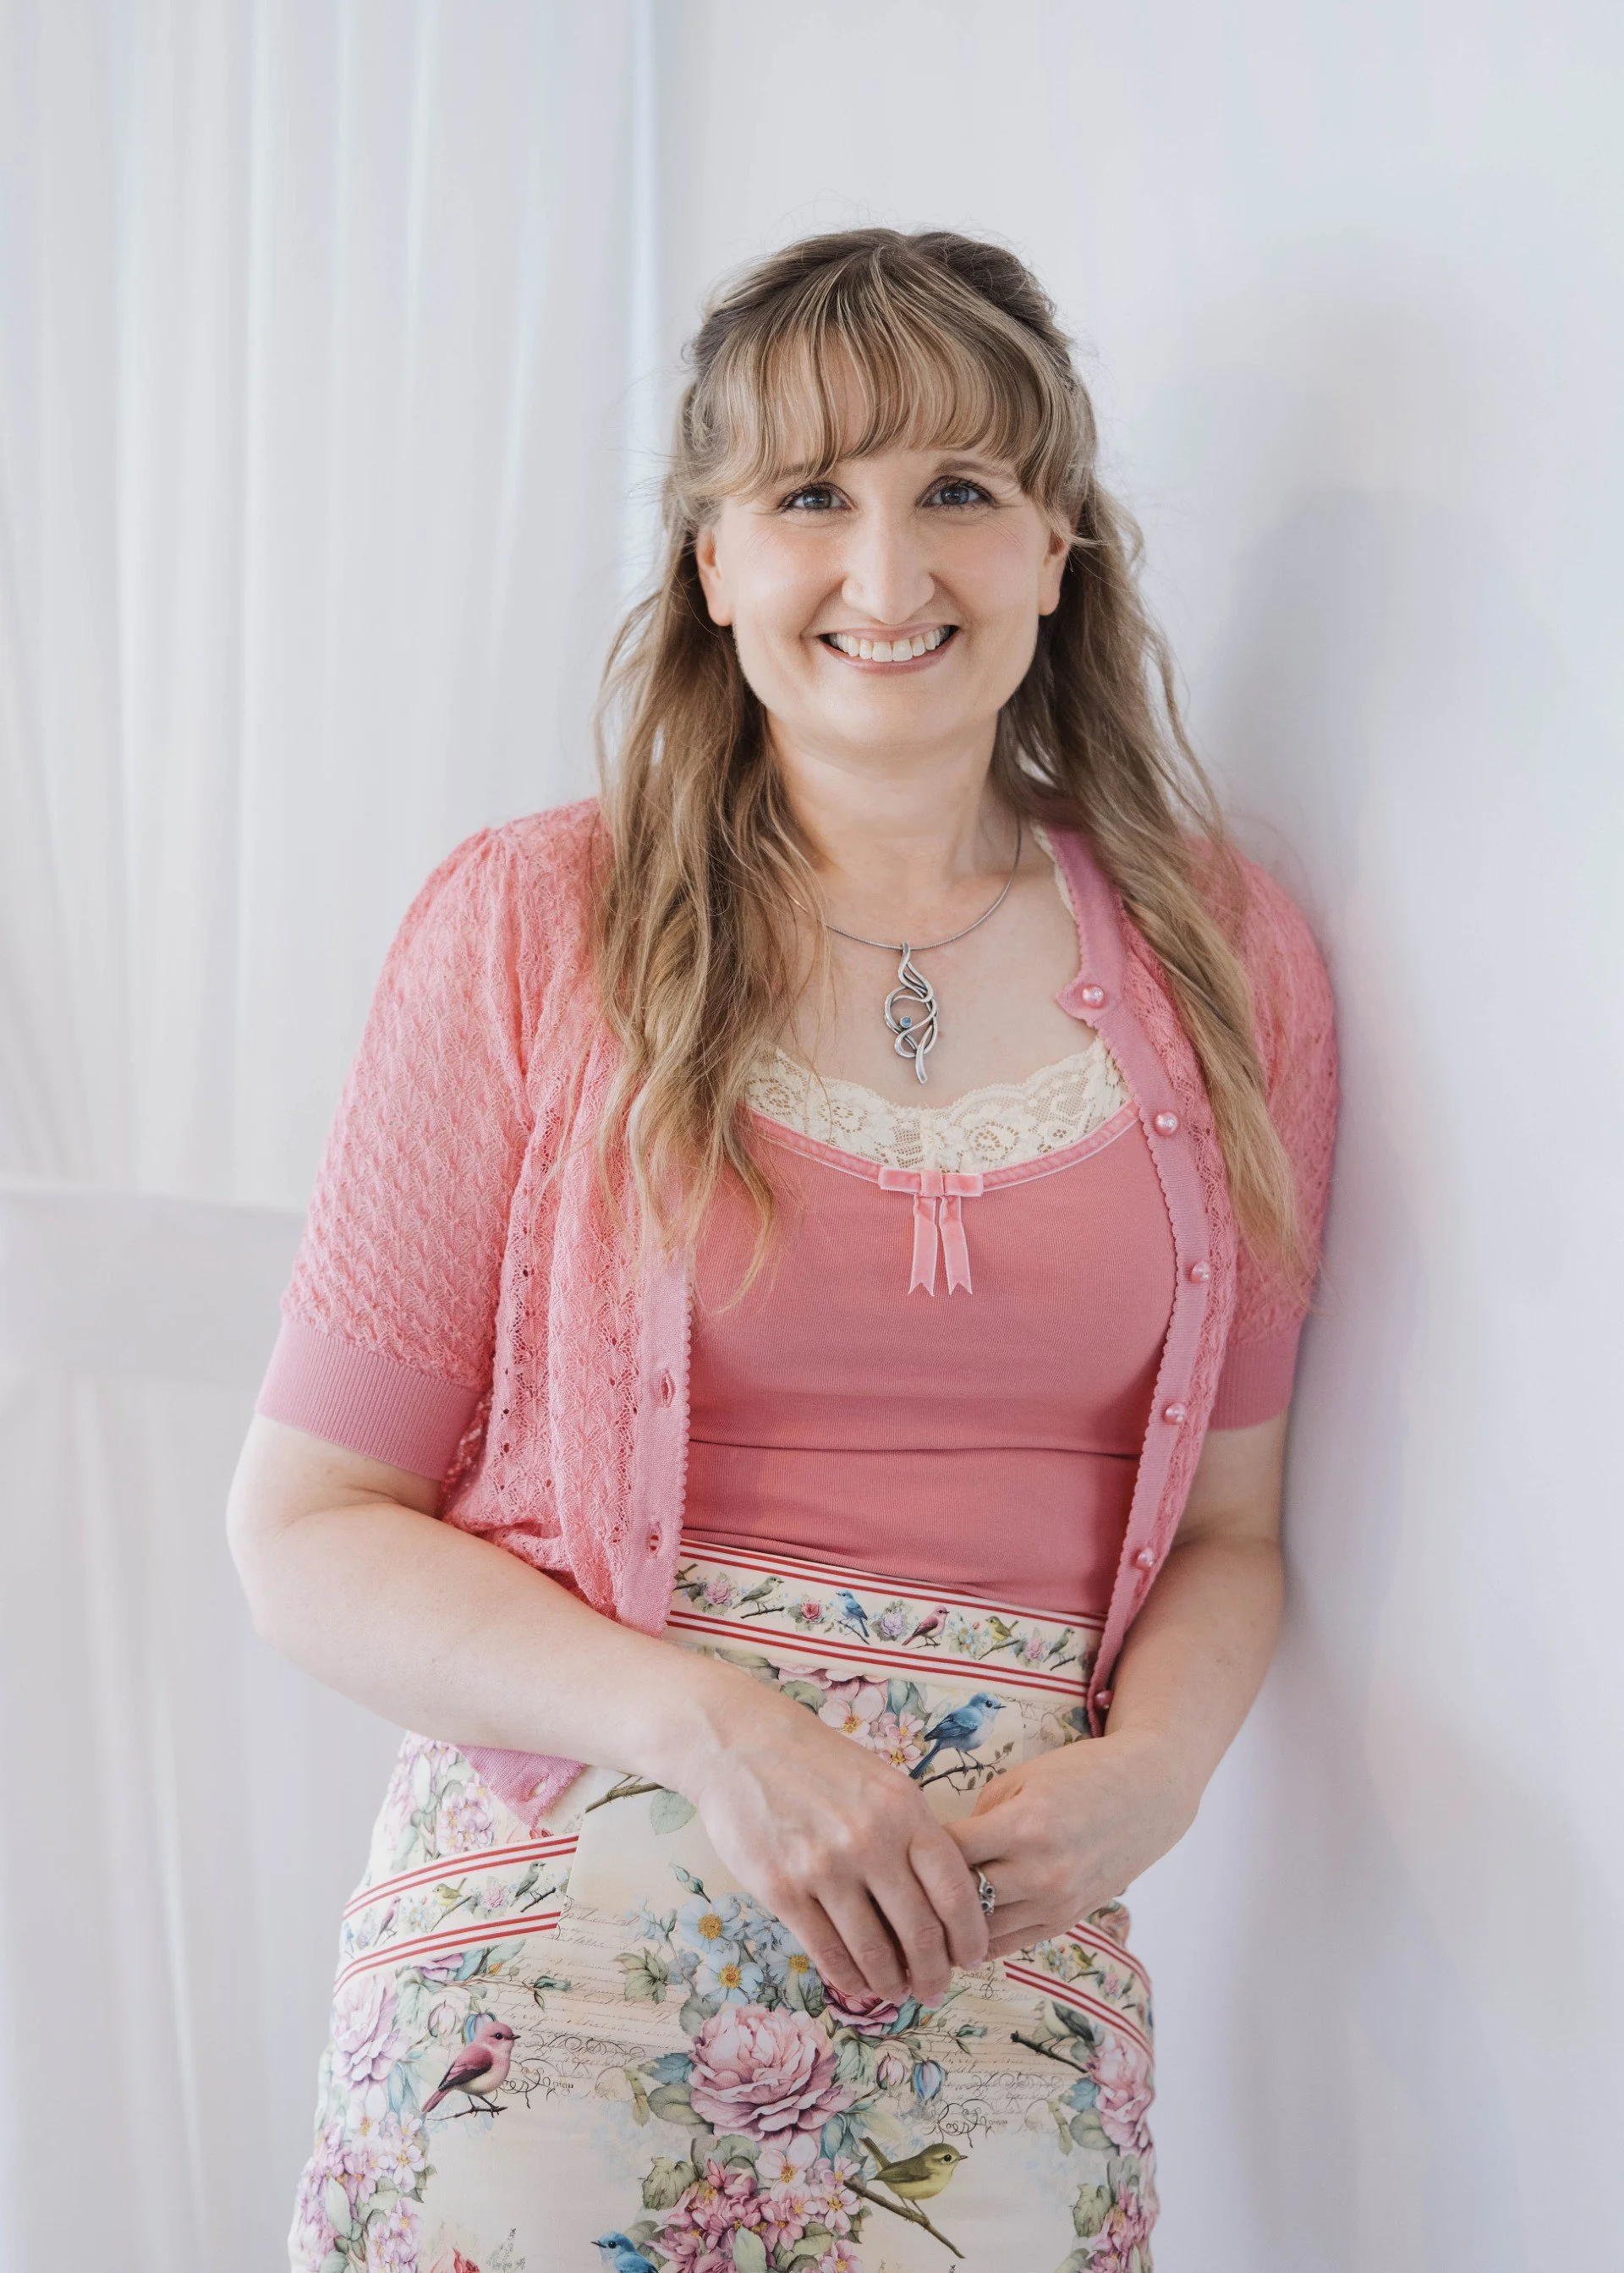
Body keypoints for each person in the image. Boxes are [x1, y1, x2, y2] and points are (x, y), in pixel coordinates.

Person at [228, 228, 1337, 2272]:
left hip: (1003, 1977)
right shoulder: (526, 924)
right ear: (712, 558)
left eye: (962, 495)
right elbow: (306, 1522)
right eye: (813, 495)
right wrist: (719, 1728)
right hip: (554, 1966)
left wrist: (1154, 1775)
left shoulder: (1227, 956)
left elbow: (1233, 1530)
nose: (891, 575)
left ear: (1061, 548)